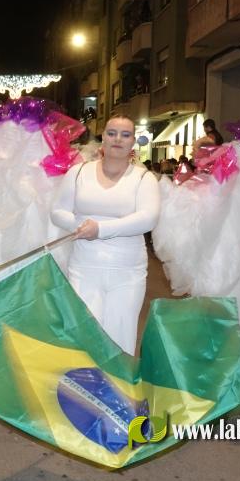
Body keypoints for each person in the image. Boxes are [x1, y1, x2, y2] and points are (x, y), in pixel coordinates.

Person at [50, 116, 161, 355]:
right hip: (84, 268)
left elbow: (148, 218)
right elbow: (57, 212)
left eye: (125, 134)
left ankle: (118, 391)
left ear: (133, 141)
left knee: (120, 337)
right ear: (103, 138)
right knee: (85, 336)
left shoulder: (144, 178)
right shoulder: (78, 173)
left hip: (127, 272)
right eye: (111, 133)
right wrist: (80, 225)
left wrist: (100, 230)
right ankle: (86, 391)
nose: (118, 139)